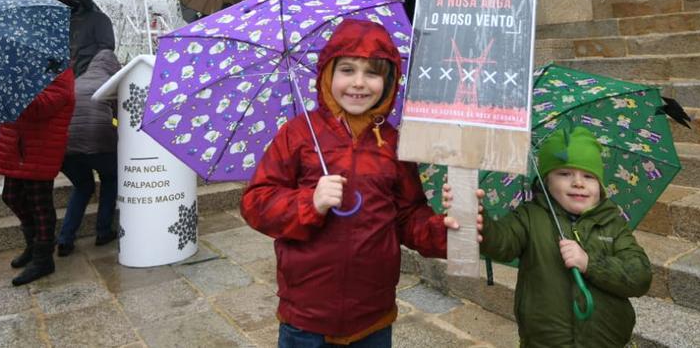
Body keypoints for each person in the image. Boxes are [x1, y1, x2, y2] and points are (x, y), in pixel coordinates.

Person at [240, 19, 459, 347]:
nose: (359, 83)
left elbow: (408, 215)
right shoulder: (298, 134)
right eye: (347, 70)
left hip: (372, 315)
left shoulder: (394, 143)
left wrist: (442, 229)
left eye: (372, 72)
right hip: (306, 318)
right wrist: (309, 202)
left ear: (389, 81)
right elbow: (256, 202)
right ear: (327, 73)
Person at [479, 127, 652, 347]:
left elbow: (640, 276)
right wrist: (480, 223)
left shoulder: (611, 222)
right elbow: (501, 242)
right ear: (546, 182)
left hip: (606, 341)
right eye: (564, 174)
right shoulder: (530, 217)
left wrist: (591, 264)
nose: (578, 183)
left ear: (600, 186)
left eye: (588, 176)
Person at [0, 66, 75, 286]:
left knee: (40, 204)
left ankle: (43, 258)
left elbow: (39, 107)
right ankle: (34, 243)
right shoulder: (23, 69)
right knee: (11, 196)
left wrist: (10, 89)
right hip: (17, 146)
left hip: (40, 148)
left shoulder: (61, 75)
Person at [57, 49, 120, 257]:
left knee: (83, 187)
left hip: (67, 148)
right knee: (110, 179)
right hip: (100, 144)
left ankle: (66, 238)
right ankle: (103, 231)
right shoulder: (111, 84)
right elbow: (123, 117)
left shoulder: (76, 81)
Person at [60, 0, 115, 78]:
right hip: (68, 74)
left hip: (90, 72)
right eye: (67, 2)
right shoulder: (66, 22)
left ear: (81, 2)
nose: (68, 5)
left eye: (71, 2)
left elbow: (106, 47)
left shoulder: (99, 19)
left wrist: (91, 65)